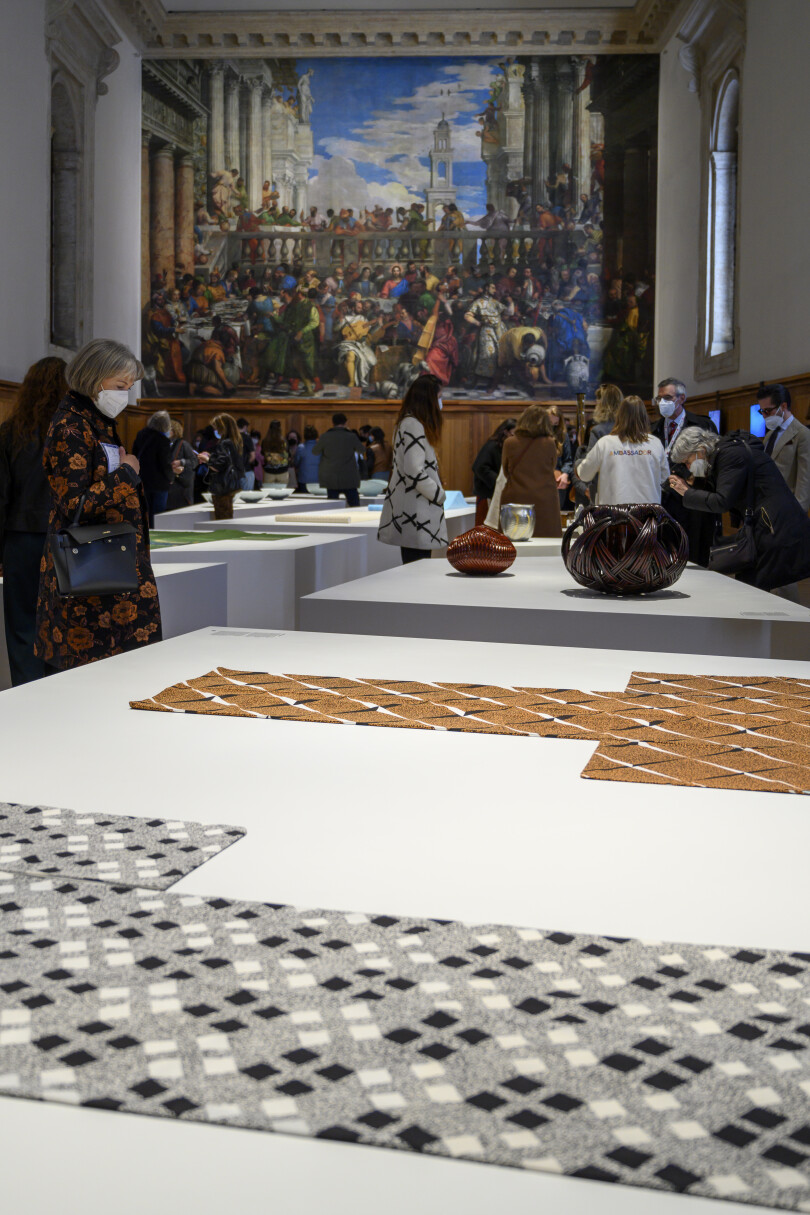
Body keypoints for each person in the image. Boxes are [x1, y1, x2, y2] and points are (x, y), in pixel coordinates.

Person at [35, 338, 162, 673]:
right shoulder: (71, 426)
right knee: (93, 670)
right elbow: (74, 504)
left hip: (110, 560)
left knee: (122, 668)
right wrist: (127, 473)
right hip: (91, 569)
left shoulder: (94, 420)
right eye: (121, 385)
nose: (126, 394)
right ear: (95, 376)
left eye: (130, 386)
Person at [669, 427, 810, 595]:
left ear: (701, 450)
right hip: (770, 525)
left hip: (774, 527)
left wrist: (686, 492)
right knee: (758, 586)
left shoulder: (730, 455)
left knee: (759, 588)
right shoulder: (725, 453)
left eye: (687, 461)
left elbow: (722, 501)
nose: (688, 466)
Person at [0, 357, 67, 684]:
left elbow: (1, 495)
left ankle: (26, 698)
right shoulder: (74, 432)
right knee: (61, 623)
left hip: (21, 537)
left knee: (23, 624)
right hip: (66, 539)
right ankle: (59, 694)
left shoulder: (11, 432)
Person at [378, 375, 446, 563]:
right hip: (415, 510)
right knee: (417, 566)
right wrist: (438, 493)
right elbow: (414, 471)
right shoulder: (413, 425)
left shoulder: (410, 423)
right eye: (440, 397)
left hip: (414, 507)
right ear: (429, 399)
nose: (442, 402)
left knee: (415, 565)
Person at [653, 376, 718, 565]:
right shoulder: (653, 429)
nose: (662, 403)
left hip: (692, 497)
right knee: (665, 551)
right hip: (663, 498)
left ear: (682, 399)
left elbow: (711, 460)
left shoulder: (701, 425)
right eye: (659, 399)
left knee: (693, 552)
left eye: (668, 398)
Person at [575, 396, 669, 506]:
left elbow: (584, 474)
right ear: (644, 417)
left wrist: (578, 466)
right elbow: (665, 479)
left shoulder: (605, 443)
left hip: (613, 514)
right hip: (647, 515)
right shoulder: (655, 443)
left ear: (619, 416)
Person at [500, 404, 562, 538]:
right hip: (545, 501)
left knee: (514, 541)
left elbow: (506, 471)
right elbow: (552, 467)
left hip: (516, 499)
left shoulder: (510, 443)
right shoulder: (549, 443)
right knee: (546, 544)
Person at [756, 384, 810, 512]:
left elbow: (805, 480)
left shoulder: (802, 434)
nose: (764, 415)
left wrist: (797, 513)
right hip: (765, 504)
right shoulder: (769, 435)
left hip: (787, 508)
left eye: (768, 411)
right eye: (761, 411)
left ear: (783, 406)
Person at [133, 410, 182, 527]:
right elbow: (165, 463)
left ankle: (145, 536)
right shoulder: (162, 440)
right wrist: (171, 477)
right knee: (158, 514)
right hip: (159, 482)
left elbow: (134, 453)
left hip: (142, 479)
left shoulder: (141, 435)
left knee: (144, 511)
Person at [313, 413, 364, 506]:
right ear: (346, 422)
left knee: (332, 505)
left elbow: (315, 451)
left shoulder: (325, 436)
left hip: (331, 476)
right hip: (348, 476)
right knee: (354, 504)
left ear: (333, 422)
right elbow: (362, 450)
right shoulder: (351, 436)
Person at [471, 418, 516, 525]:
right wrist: (499, 482)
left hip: (495, 493)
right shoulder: (491, 446)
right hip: (487, 494)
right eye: (513, 434)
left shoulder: (505, 447)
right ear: (506, 432)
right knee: (484, 529)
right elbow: (479, 467)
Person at [206, 412, 245, 520]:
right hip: (231, 485)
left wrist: (207, 459)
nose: (215, 431)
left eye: (216, 428)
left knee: (222, 517)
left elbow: (219, 466)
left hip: (222, 486)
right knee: (227, 515)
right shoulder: (235, 441)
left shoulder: (224, 443)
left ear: (222, 428)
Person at [167, 418, 206, 510]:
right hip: (169, 486)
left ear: (174, 430)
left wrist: (181, 462)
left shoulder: (183, 444)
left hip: (181, 488)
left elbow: (194, 461)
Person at [547, 405, 574, 509]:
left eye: (555, 424)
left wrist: (565, 474)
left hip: (557, 477)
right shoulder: (538, 435)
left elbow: (568, 460)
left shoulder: (562, 436)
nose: (552, 428)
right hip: (541, 478)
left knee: (556, 511)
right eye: (550, 424)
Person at [261, 420, 291, 485]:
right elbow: (288, 455)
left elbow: (263, 454)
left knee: (268, 493)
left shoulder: (265, 441)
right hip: (282, 471)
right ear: (280, 429)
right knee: (282, 493)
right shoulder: (284, 442)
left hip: (269, 471)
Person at [293, 424, 321, 492]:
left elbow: (296, 463)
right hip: (318, 479)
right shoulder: (321, 447)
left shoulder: (301, 448)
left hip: (304, 479)